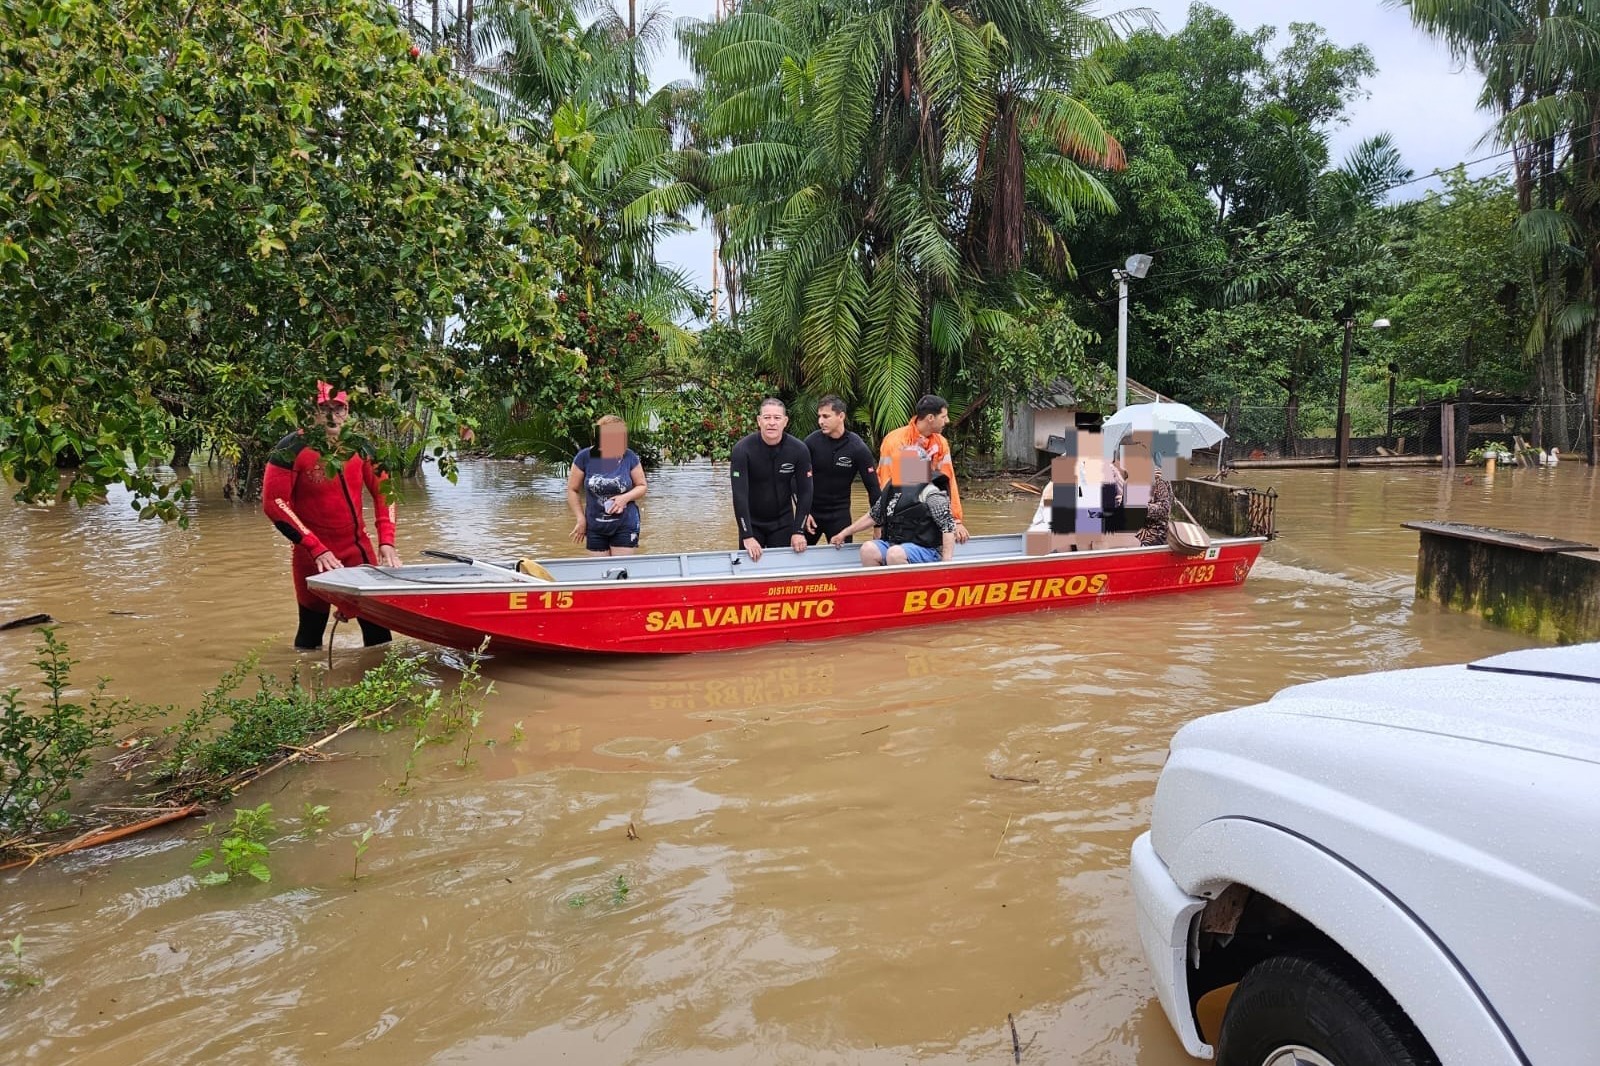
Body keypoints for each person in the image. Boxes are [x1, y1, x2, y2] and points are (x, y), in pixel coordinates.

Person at [262, 381, 400, 651]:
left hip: (358, 551)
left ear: (347, 411)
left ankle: (382, 690)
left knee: (379, 632)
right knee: (310, 634)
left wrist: (387, 541)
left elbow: (386, 492)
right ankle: (306, 687)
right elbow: (274, 503)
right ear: (313, 410)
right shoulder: (291, 448)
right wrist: (315, 547)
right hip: (312, 555)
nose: (332, 415)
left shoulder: (361, 446)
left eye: (339, 408)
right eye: (324, 408)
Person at [832, 449, 955, 565]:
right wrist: (844, 533)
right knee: (868, 549)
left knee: (895, 554)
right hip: (896, 545)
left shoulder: (931, 493)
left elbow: (948, 527)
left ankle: (905, 585)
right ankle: (879, 586)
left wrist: (946, 563)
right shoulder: (893, 491)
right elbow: (873, 516)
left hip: (927, 550)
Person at [876, 394, 970, 543]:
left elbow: (948, 481)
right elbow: (887, 483)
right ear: (931, 418)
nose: (947, 421)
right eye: (944, 416)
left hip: (930, 509)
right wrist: (880, 522)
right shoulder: (896, 441)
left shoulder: (941, 443)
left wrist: (956, 520)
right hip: (900, 513)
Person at [730, 397, 814, 562]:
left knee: (783, 576)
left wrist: (798, 531)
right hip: (752, 523)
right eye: (767, 418)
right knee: (750, 573)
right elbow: (739, 494)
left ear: (785, 421)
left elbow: (806, 491)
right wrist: (747, 535)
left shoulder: (799, 450)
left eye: (777, 418)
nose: (772, 423)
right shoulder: (742, 450)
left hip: (783, 522)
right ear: (759, 421)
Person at [803, 395, 881, 546]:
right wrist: (803, 513)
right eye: (819, 416)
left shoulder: (857, 447)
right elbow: (795, 479)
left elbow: (873, 489)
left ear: (841, 416)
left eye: (826, 416)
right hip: (811, 514)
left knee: (844, 562)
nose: (820, 421)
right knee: (796, 559)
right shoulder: (811, 442)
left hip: (839, 515)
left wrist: (878, 525)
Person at [567, 414, 647, 556]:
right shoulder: (584, 457)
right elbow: (572, 490)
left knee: (621, 571)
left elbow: (642, 486)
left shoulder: (629, 456)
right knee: (600, 572)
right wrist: (580, 518)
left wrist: (625, 498)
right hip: (595, 524)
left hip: (625, 523)